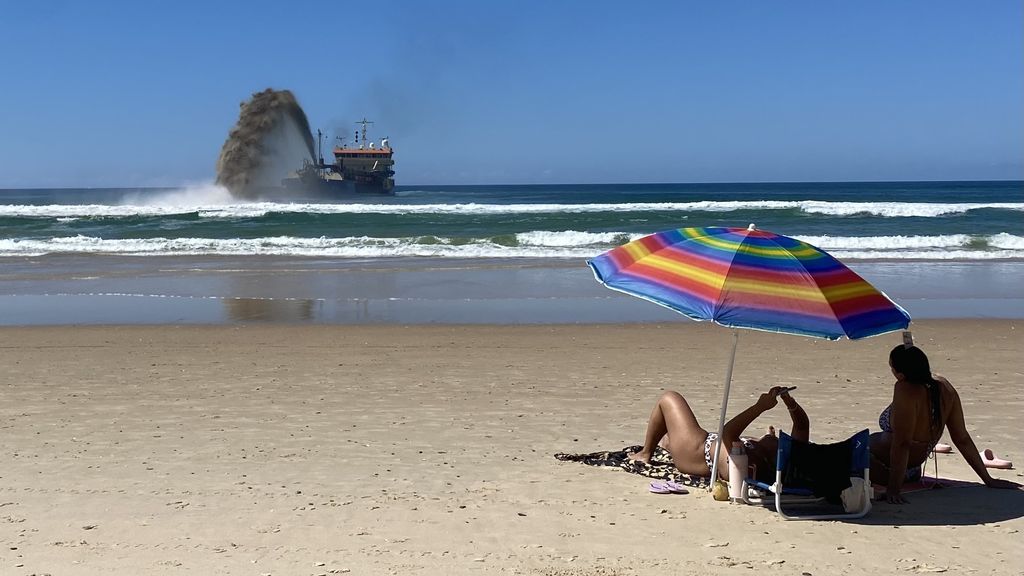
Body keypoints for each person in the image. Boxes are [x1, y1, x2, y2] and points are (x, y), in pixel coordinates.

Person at [870, 344, 1021, 503]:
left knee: (844, 458)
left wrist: (894, 489)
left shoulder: (905, 389)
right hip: (912, 471)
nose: (892, 371)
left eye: (891, 367)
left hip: (880, 467)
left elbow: (902, 443)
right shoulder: (944, 387)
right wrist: (988, 479)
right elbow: (961, 437)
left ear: (900, 374)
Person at [628, 386, 807, 484]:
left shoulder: (755, 463)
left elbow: (728, 433)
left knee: (669, 399)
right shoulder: (788, 455)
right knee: (668, 437)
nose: (779, 440)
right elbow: (802, 425)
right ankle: (668, 443)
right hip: (710, 443)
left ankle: (645, 454)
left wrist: (760, 407)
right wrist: (789, 402)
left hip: (697, 451)